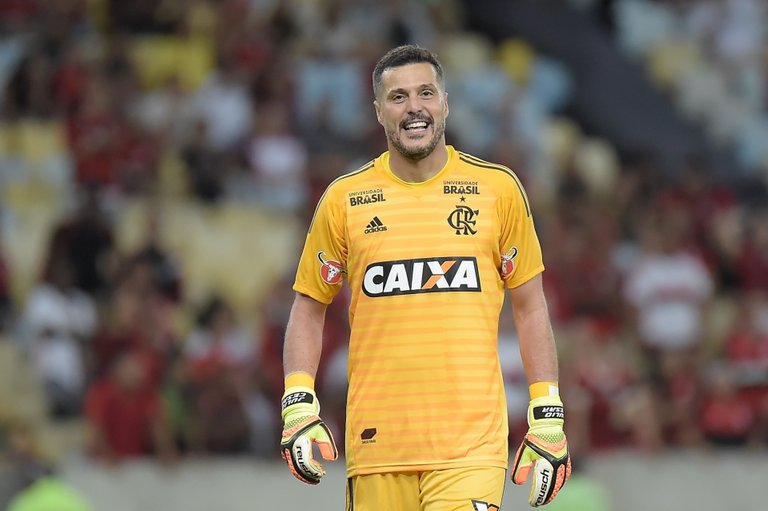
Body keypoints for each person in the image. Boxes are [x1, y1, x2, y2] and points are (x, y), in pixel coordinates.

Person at [280, 45, 570, 510]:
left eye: (425, 93)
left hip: (469, 449)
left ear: (445, 104)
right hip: (377, 448)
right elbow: (308, 307)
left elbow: (530, 306)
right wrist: (298, 400)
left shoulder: (497, 190)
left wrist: (547, 414)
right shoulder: (344, 200)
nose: (414, 107)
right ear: (378, 113)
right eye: (398, 97)